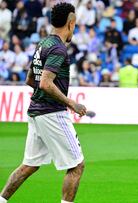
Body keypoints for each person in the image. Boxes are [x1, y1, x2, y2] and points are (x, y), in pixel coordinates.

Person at [0, 3, 87, 203]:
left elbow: (30, 79)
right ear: (71, 23)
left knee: (29, 165)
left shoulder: (43, 44)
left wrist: (43, 92)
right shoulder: (58, 49)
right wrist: (71, 103)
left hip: (36, 112)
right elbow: (45, 83)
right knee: (76, 166)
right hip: (52, 113)